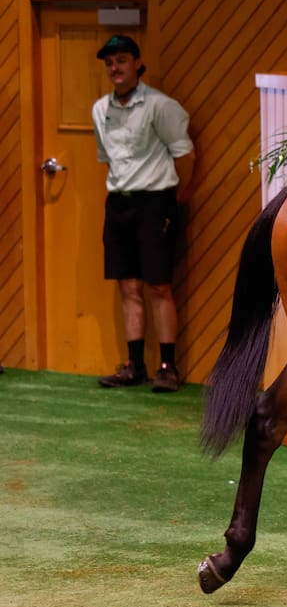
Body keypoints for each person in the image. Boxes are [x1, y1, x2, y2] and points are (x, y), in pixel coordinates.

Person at [92, 35, 194, 392]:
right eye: (109, 63)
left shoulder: (160, 106)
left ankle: (168, 367)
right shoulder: (99, 109)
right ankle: (134, 365)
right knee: (128, 286)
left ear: (137, 63)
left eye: (121, 60)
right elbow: (107, 159)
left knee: (159, 286)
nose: (115, 68)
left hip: (156, 201)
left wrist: (176, 200)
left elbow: (185, 155)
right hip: (118, 203)